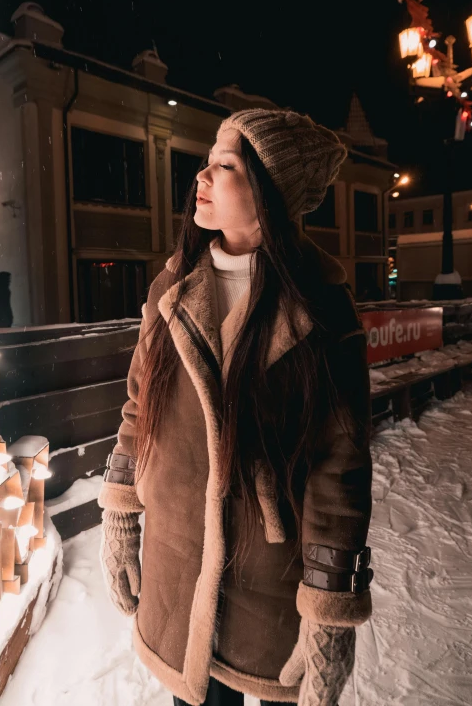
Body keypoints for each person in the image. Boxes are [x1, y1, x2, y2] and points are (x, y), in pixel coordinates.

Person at [98, 108, 374, 706]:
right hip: (177, 565)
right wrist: (121, 517)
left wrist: (329, 612)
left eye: (224, 165)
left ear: (270, 194)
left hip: (270, 581)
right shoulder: (172, 288)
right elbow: (136, 410)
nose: (201, 176)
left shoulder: (323, 313)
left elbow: (340, 469)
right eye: (207, 162)